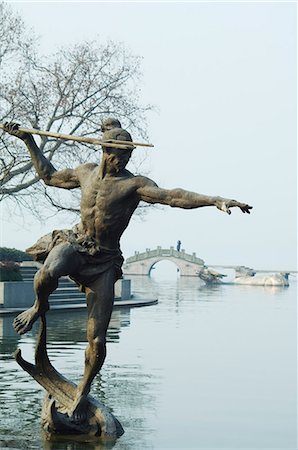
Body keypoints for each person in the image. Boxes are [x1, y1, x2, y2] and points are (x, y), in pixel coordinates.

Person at [3, 121, 252, 423]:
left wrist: (215, 200)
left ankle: (82, 390)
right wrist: (29, 141)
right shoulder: (85, 172)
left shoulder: (133, 185)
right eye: (117, 155)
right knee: (46, 273)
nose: (122, 161)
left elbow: (173, 197)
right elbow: (49, 177)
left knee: (97, 340)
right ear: (104, 150)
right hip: (77, 243)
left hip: (104, 261)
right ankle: (40, 304)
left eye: (127, 156)